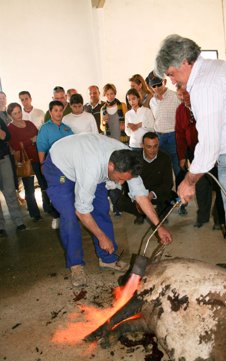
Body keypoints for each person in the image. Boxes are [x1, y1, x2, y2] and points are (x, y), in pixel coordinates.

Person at [155, 34, 226, 284]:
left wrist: (189, 181)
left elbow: (210, 143)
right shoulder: (220, 68)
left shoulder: (205, 84)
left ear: (183, 63)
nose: (171, 80)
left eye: (170, 73)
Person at [43, 134, 172, 288]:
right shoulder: (91, 168)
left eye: (125, 179)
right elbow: (82, 211)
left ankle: (107, 259)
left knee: (101, 209)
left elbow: (141, 197)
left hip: (90, 163)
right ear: (111, 166)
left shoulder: (128, 158)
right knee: (70, 215)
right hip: (60, 167)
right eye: (120, 178)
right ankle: (76, 264)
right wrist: (101, 236)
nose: (122, 183)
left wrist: (159, 226)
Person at [175, 85, 225, 228]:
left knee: (219, 185)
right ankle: (203, 217)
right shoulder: (180, 110)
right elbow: (179, 135)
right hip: (194, 152)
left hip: (213, 149)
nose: (184, 98)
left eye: (186, 94)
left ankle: (219, 219)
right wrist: (182, 156)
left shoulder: (205, 105)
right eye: (180, 95)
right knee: (202, 185)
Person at [7, 103, 53, 222]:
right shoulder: (10, 128)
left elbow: (40, 136)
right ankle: (34, 214)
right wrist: (30, 141)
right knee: (29, 189)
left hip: (38, 157)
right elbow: (16, 146)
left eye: (19, 112)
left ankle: (48, 207)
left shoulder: (29, 123)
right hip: (26, 161)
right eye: (15, 113)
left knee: (44, 184)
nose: (18, 115)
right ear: (10, 115)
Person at [118, 132, 176, 225]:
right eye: (149, 146)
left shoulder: (165, 158)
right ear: (142, 145)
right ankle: (141, 214)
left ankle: (160, 214)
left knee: (174, 198)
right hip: (140, 191)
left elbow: (168, 183)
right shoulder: (135, 158)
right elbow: (127, 182)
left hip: (156, 192)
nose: (152, 150)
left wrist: (152, 194)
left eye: (155, 146)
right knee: (120, 202)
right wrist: (138, 198)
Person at [37, 100, 74, 229]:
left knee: (67, 189)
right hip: (52, 167)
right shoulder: (45, 128)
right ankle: (57, 216)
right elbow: (41, 147)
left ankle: (69, 215)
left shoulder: (67, 128)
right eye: (55, 110)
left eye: (60, 110)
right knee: (57, 191)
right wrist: (42, 164)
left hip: (66, 167)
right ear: (50, 112)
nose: (58, 113)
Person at [147, 71, 181, 186]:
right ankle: (166, 198)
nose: (156, 88)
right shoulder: (152, 101)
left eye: (158, 84)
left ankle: (181, 200)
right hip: (159, 138)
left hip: (173, 137)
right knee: (162, 171)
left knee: (178, 168)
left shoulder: (175, 96)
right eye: (153, 86)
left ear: (164, 82)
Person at [101, 83, 128, 216]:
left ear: (115, 93)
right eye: (107, 94)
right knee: (114, 173)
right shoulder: (103, 109)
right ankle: (117, 204)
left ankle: (126, 199)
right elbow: (101, 127)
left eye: (112, 93)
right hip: (109, 145)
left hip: (122, 142)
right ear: (105, 95)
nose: (110, 96)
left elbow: (127, 120)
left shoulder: (122, 105)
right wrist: (104, 121)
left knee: (124, 170)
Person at [0, 117, 26, 237]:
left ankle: (19, 221)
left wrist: (2, 134)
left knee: (10, 191)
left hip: (3, 159)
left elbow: (8, 137)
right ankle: (0, 226)